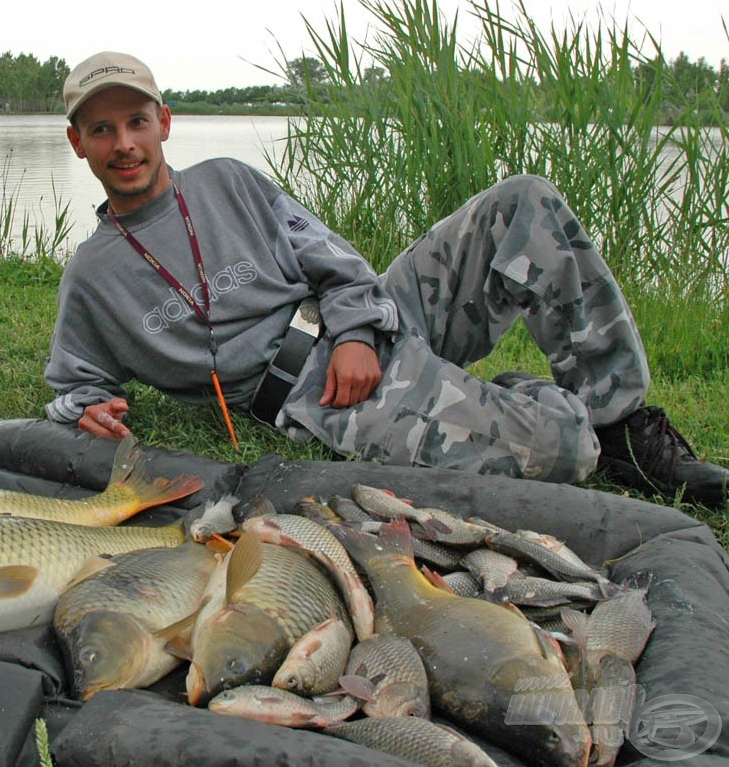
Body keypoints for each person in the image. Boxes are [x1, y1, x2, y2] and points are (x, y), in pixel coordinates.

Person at [45, 50, 729, 507]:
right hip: (315, 396)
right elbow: (76, 384)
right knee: (565, 452)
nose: (124, 144)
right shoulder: (92, 276)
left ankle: (625, 423)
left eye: (136, 121)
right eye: (102, 130)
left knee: (525, 201)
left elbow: (337, 265)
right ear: (78, 142)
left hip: (371, 323)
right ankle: (547, 415)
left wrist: (354, 331)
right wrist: (88, 411)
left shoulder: (230, 181)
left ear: (164, 122)